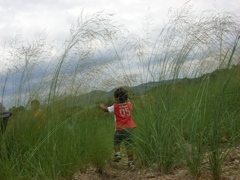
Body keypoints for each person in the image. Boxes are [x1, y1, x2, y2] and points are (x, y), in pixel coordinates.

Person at [100, 87, 136, 169]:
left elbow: (106, 110)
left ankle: (118, 154)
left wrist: (101, 105)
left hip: (119, 129)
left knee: (116, 143)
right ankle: (131, 163)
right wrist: (126, 98)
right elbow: (128, 100)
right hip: (129, 129)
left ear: (116, 99)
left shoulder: (115, 106)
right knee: (129, 146)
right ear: (126, 98)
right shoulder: (129, 105)